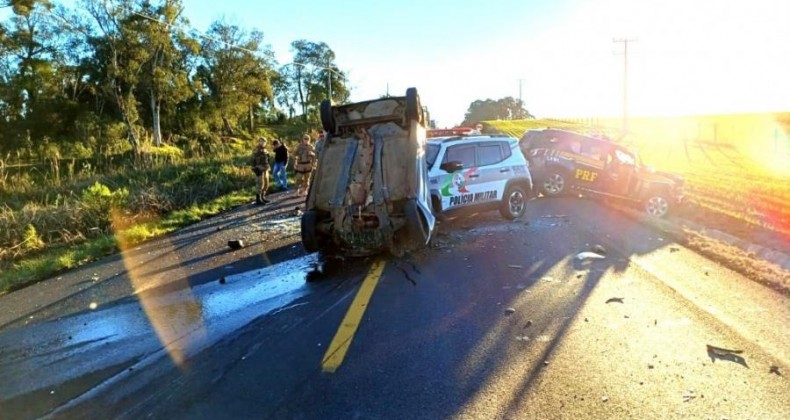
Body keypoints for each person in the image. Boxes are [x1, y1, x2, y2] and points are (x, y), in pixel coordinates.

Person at [249, 138, 270, 205]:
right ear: (259, 142)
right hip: (259, 168)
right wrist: (254, 168)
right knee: (260, 184)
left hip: (265, 168)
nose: (262, 143)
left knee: (266, 184)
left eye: (264, 142)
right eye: (261, 141)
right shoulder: (256, 150)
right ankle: (258, 199)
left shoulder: (265, 150)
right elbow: (252, 160)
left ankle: (262, 196)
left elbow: (268, 158)